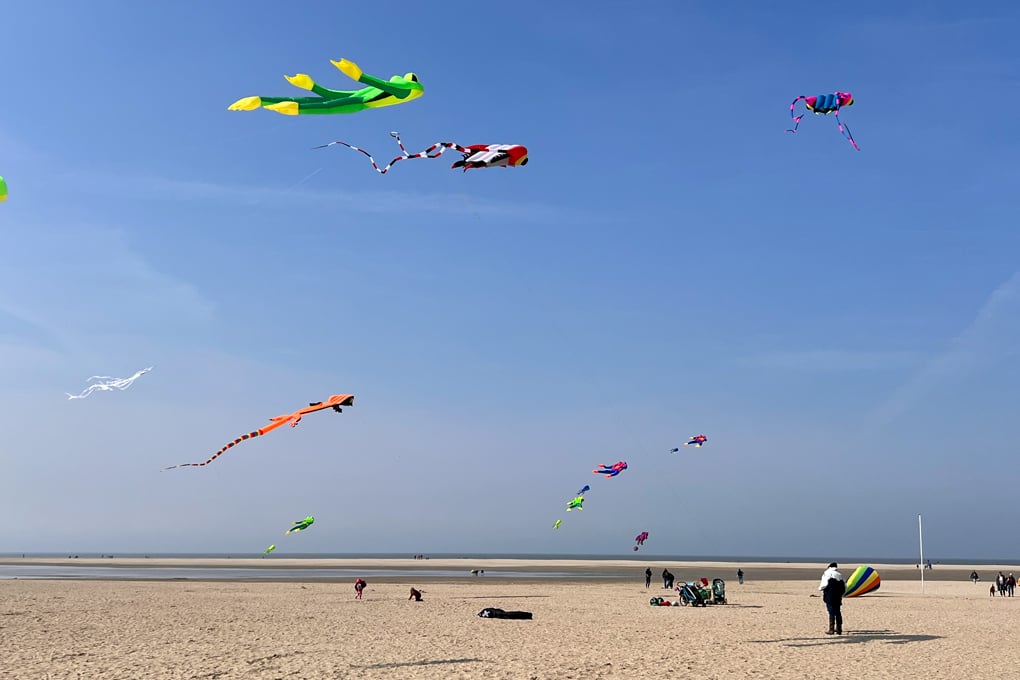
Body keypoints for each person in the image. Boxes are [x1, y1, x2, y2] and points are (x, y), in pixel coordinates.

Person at [818, 562, 845, 635]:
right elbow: (844, 586)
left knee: (831, 612)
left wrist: (820, 589)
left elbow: (823, 585)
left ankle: (831, 629)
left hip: (829, 595)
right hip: (838, 595)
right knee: (838, 612)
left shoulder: (827, 573)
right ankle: (839, 629)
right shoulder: (840, 575)